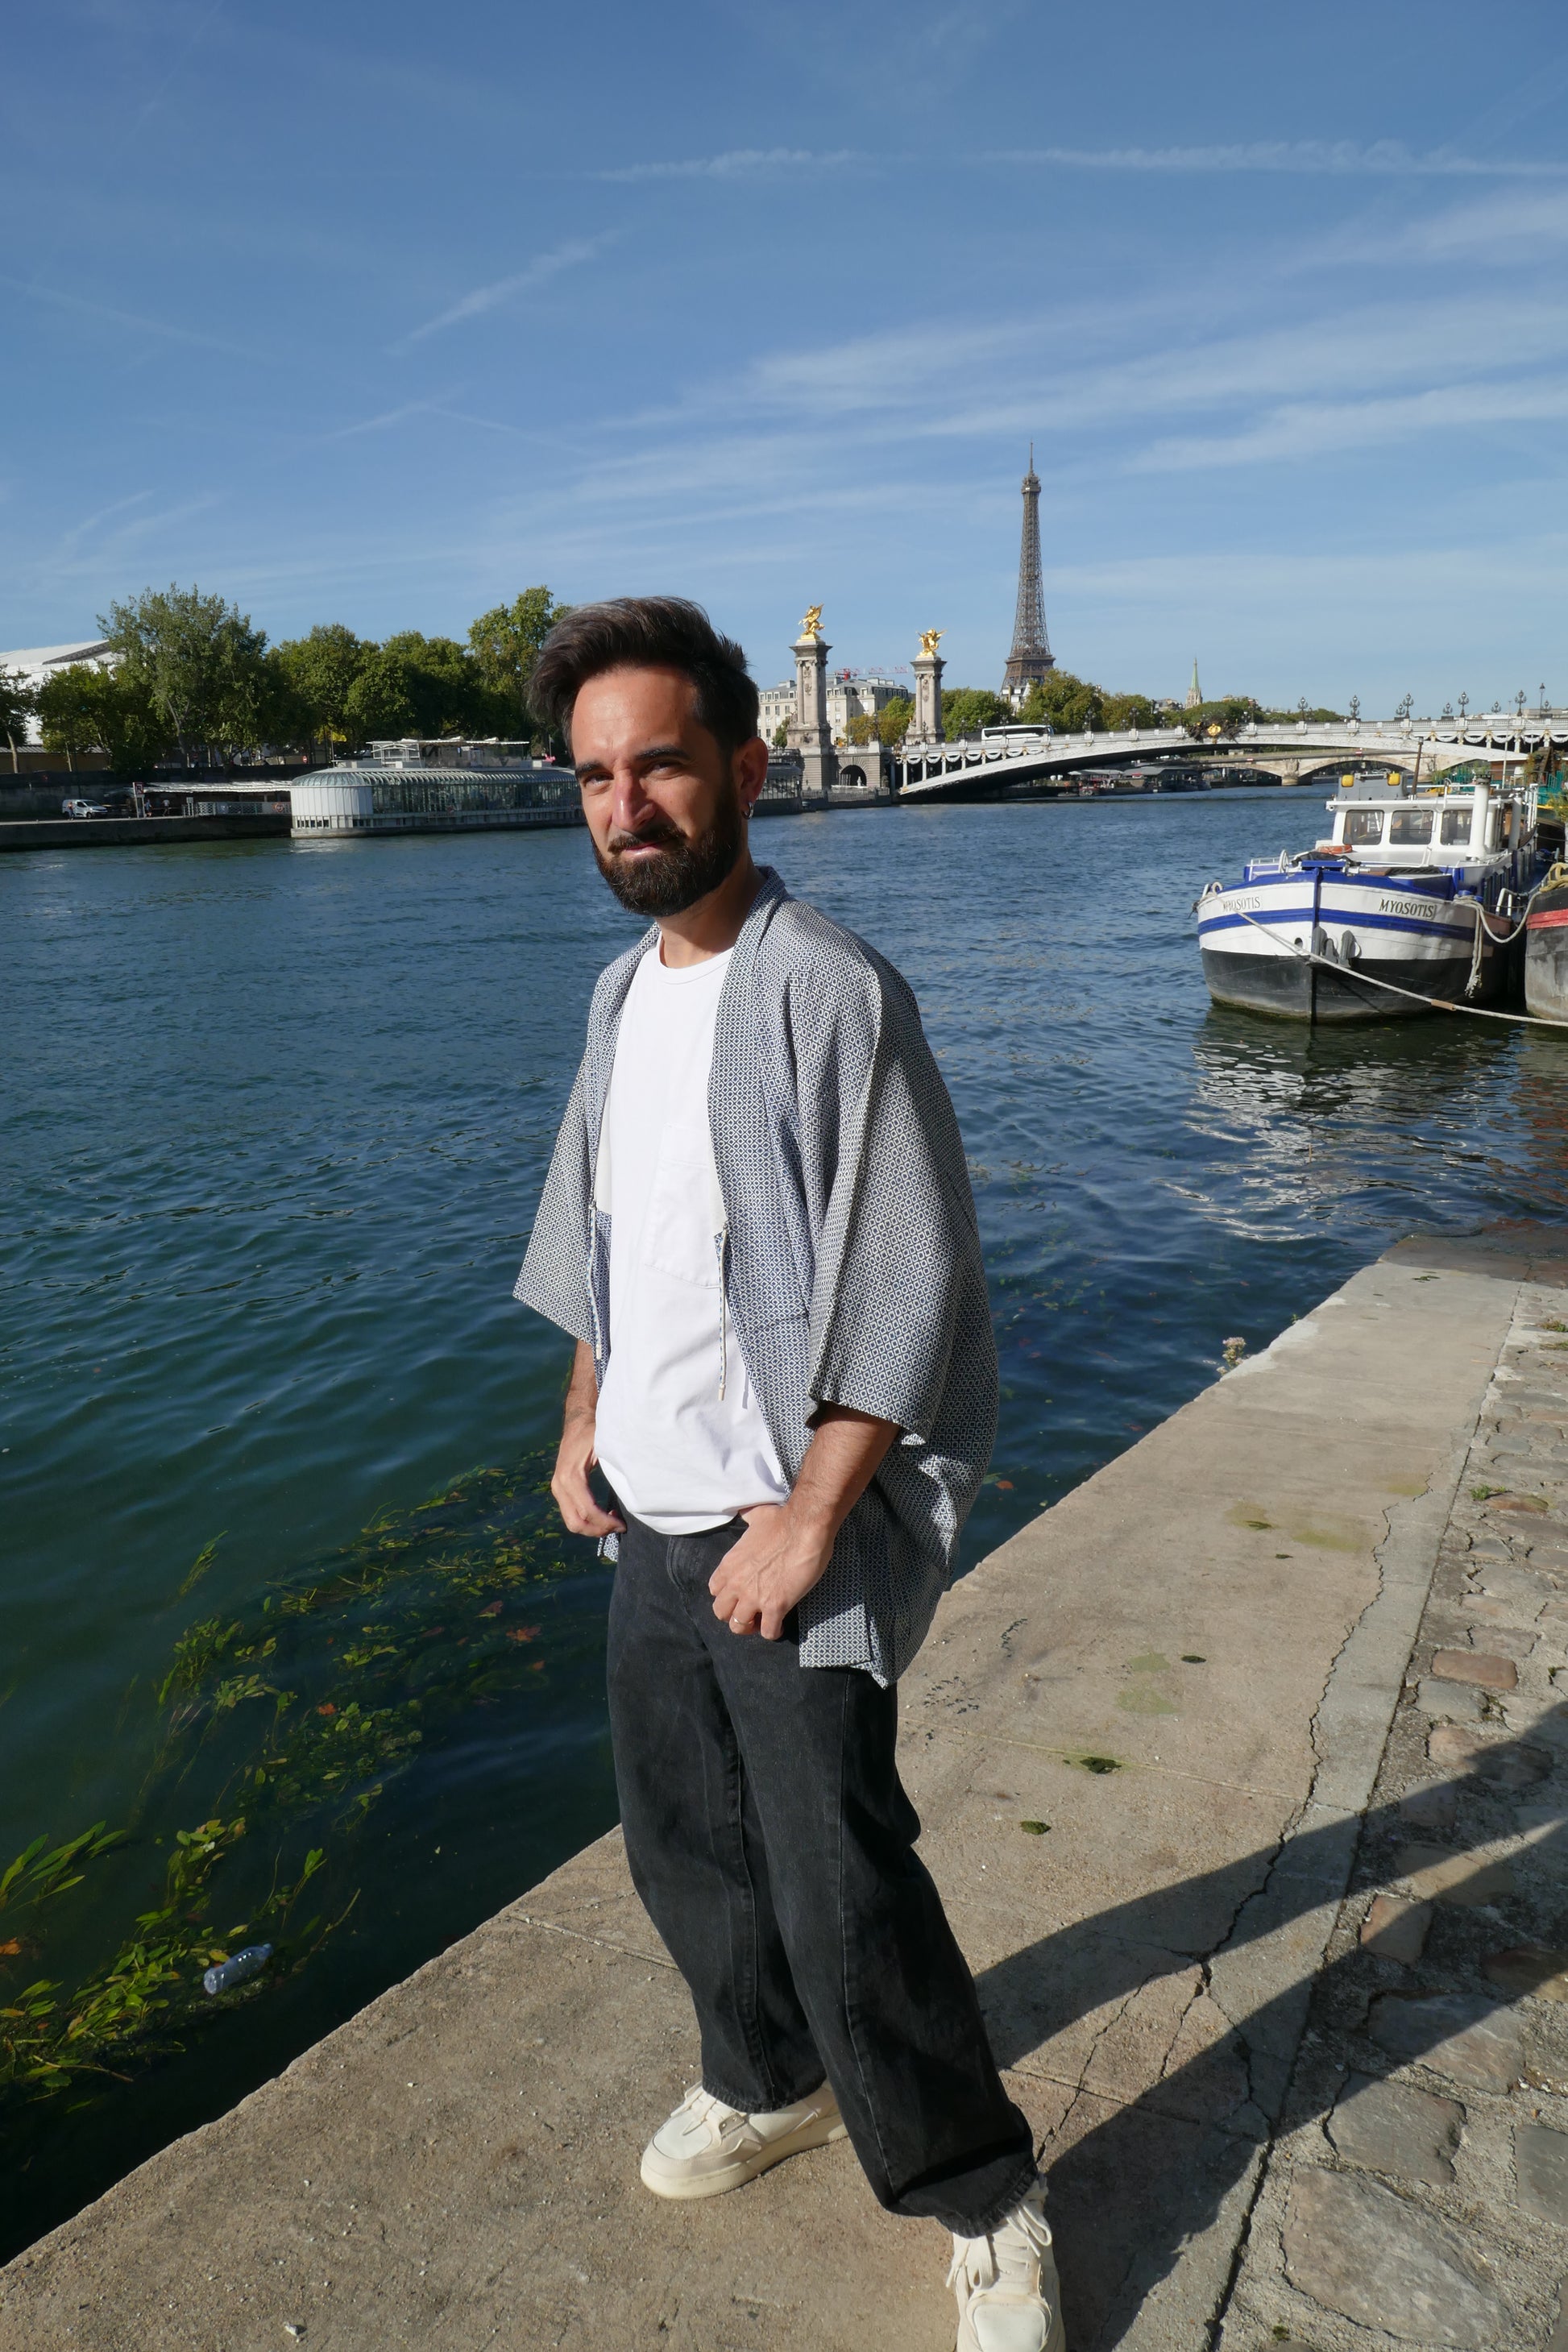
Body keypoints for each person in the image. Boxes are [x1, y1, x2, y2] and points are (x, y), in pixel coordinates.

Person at [516, 598, 1064, 2352]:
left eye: (659, 764)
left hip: (783, 1535)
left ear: (744, 767)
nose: (626, 804)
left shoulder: (827, 986)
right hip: (653, 1520)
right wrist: (584, 1414)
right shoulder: (619, 992)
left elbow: (912, 1277)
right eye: (596, 775)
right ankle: (762, 2077)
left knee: (847, 1880)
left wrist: (813, 1516)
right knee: (684, 1843)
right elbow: (606, 1234)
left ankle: (981, 2195)